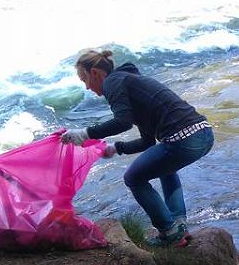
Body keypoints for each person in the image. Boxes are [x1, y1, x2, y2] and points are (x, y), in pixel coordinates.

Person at [61, 49, 214, 247]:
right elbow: (147, 142)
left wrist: (84, 134)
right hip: (204, 134)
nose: (88, 88)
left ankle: (169, 232)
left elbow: (122, 122)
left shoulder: (112, 82)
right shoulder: (131, 82)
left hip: (182, 139)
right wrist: (115, 148)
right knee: (164, 168)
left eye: (85, 80)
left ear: (96, 73)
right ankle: (178, 225)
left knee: (133, 178)